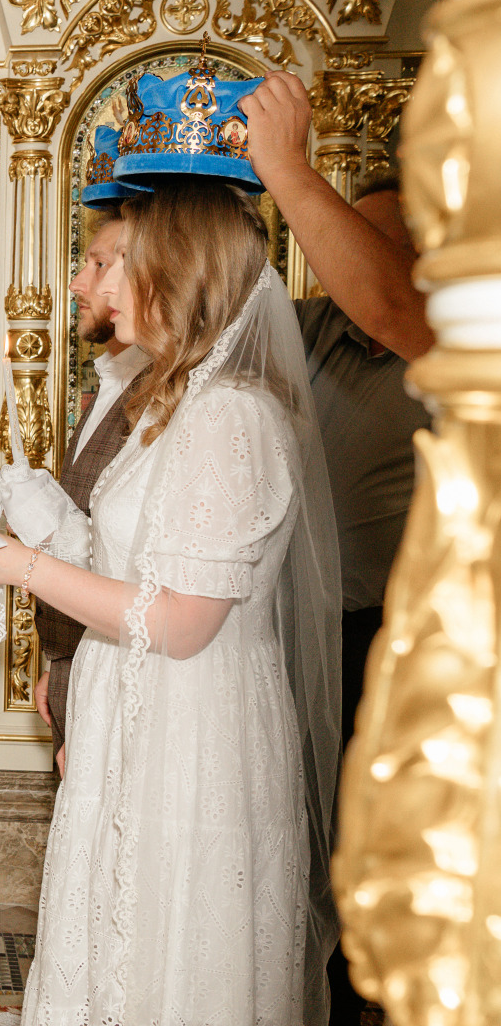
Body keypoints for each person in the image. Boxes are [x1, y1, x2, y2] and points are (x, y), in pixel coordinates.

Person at [0, 182, 340, 1024]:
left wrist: (22, 566)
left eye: (119, 266)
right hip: (138, 704)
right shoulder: (171, 402)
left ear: (173, 273)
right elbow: (135, 564)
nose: (96, 287)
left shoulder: (229, 419)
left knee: (170, 943)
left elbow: (181, 621)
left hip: (189, 724)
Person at [242, 69, 435, 1026]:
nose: (349, 259)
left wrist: (287, 167)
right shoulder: (308, 328)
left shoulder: (448, 335)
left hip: (403, 650)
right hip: (291, 630)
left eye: (379, 243)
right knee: (294, 843)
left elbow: (394, 304)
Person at [29, 210, 148, 775]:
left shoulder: (159, 398)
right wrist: (63, 663)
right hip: (83, 662)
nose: (80, 283)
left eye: (100, 263)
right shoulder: (111, 379)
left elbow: (148, 573)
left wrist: (19, 565)